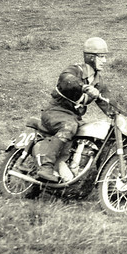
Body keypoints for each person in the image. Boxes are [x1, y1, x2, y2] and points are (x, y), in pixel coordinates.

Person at [34, 38, 118, 182]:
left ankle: (96, 177)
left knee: (95, 133)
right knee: (69, 127)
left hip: (74, 117)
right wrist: (83, 86)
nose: (105, 60)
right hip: (55, 112)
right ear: (91, 57)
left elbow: (108, 103)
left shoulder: (98, 81)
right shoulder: (75, 70)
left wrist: (122, 116)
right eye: (101, 57)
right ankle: (46, 167)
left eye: (105, 57)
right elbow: (66, 79)